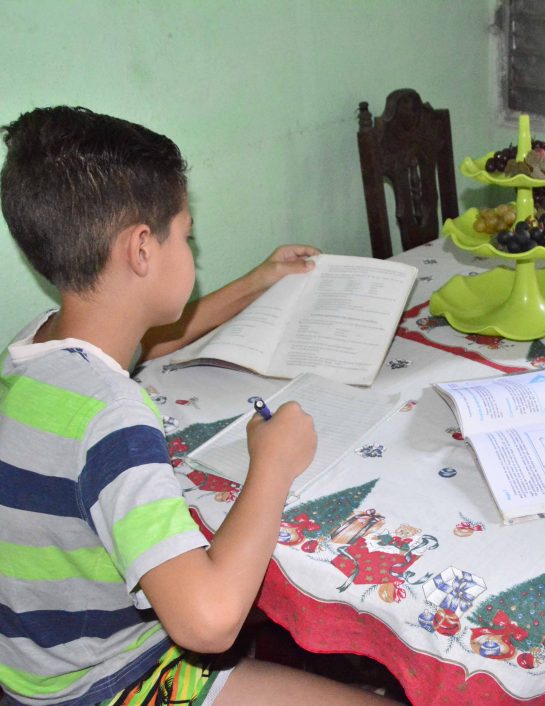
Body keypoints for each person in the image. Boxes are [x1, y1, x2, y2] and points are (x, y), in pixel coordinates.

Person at [0, 106, 397, 705]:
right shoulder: (112, 414)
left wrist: (258, 280)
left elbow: (156, 336)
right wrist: (273, 463)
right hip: (107, 685)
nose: (192, 250)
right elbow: (209, 623)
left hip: (37, 664)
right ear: (141, 249)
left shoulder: (37, 347)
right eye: (185, 236)